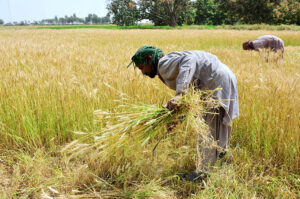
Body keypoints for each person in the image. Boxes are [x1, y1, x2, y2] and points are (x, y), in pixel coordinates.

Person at [128, 45, 239, 182]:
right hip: (219, 80)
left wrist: (180, 93)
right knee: (211, 126)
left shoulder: (163, 64)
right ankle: (220, 154)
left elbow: (189, 59)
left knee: (208, 130)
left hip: (215, 83)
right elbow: (190, 95)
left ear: (149, 59)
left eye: (141, 68)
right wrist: (177, 117)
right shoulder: (168, 62)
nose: (143, 72)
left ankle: (203, 174)